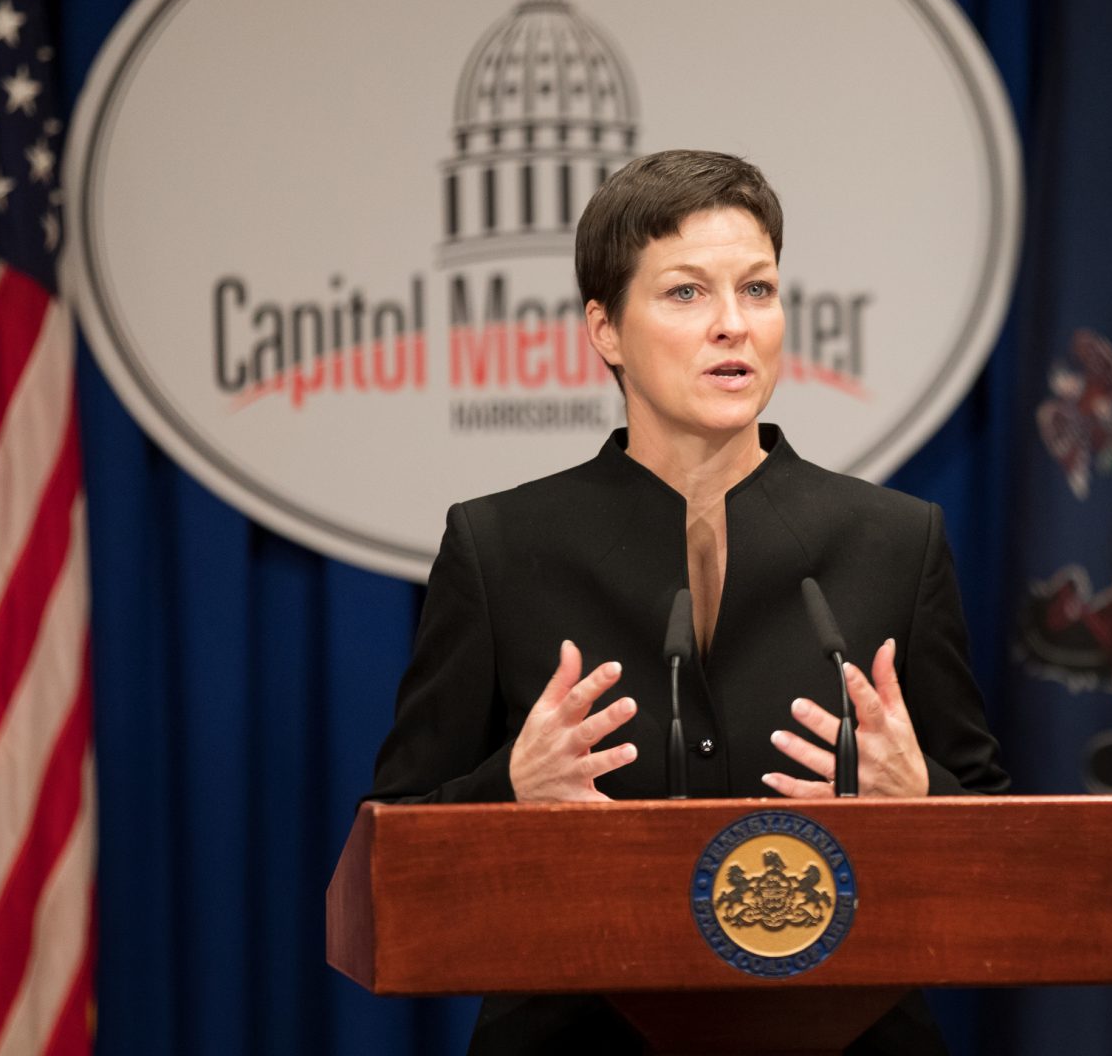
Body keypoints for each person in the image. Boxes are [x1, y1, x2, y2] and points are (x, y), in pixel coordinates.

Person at [366, 149, 1008, 1053]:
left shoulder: (895, 542)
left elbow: (1010, 858)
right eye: (685, 294)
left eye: (758, 290)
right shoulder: (503, 548)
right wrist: (509, 787)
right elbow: (392, 855)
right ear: (606, 330)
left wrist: (924, 796)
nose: (733, 326)